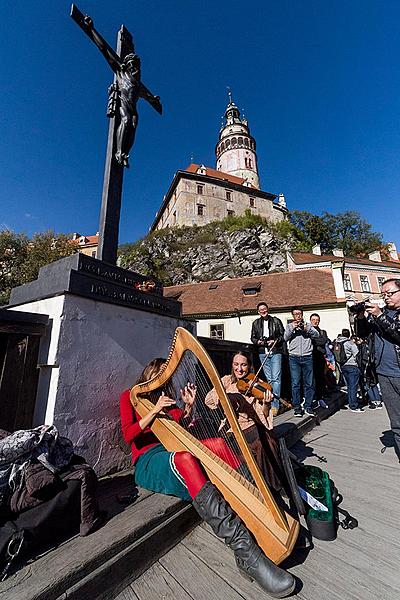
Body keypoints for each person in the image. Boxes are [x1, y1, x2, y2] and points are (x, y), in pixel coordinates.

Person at [120, 358, 295, 597]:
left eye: (166, 380)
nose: (164, 384)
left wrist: (189, 408)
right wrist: (153, 410)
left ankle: (268, 509)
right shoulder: (129, 397)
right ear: (149, 375)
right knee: (186, 459)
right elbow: (129, 434)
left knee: (219, 443)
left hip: (174, 449)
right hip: (149, 460)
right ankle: (246, 554)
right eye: (159, 377)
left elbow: (181, 433)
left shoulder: (168, 399)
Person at [204, 351, 287, 492]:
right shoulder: (226, 381)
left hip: (251, 426)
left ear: (249, 366)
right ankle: (267, 485)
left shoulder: (257, 384)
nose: (239, 369)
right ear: (232, 365)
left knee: (266, 442)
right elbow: (209, 400)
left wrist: (266, 404)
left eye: (243, 365)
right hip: (232, 430)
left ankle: (273, 486)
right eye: (236, 364)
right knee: (261, 441)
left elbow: (263, 416)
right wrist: (226, 397)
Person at [354, 279, 400, 459]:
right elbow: (362, 334)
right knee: (397, 423)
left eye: (390, 293)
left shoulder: (386, 315)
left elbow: (397, 334)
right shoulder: (383, 314)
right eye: (384, 294)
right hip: (384, 373)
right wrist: (360, 316)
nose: (386, 297)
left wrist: (380, 315)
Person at [284, 307, 320, 417]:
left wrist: (306, 329)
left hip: (307, 356)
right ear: (293, 316)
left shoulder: (308, 325)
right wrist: (292, 329)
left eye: (299, 314)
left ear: (302, 315)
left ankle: (308, 406)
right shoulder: (289, 326)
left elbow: (317, 335)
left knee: (309, 383)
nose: (298, 316)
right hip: (294, 357)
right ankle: (297, 408)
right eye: (295, 314)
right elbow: (285, 338)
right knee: (296, 383)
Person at [251, 302, 285, 417]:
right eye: (261, 310)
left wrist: (274, 341)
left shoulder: (276, 321)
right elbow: (253, 338)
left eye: (264, 309)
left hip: (275, 352)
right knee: (269, 380)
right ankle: (270, 403)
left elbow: (282, 335)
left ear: (268, 309)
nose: (263, 311)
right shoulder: (256, 323)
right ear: (258, 312)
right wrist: (258, 342)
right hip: (262, 353)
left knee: (276, 379)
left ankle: (275, 406)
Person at [335, 330, 363, 412]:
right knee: (353, 387)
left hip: (343, 366)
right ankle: (353, 405)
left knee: (349, 386)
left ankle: (351, 402)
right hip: (352, 365)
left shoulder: (337, 342)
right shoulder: (349, 343)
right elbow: (356, 353)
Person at [310, 313, 329, 405]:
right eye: (313, 320)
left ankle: (320, 397)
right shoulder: (308, 331)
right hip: (310, 356)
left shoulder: (322, 332)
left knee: (320, 377)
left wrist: (314, 341)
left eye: (317, 320)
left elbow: (323, 341)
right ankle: (312, 396)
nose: (315, 322)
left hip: (320, 357)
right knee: (310, 378)